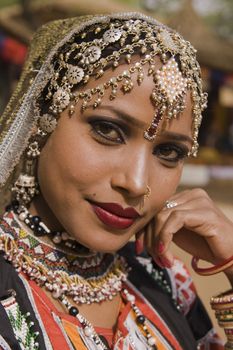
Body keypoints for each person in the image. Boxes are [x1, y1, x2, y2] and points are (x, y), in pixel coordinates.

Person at [0, 12, 232, 350]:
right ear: (40, 120)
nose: (137, 183)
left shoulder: (165, 279)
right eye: (108, 130)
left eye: (168, 152)